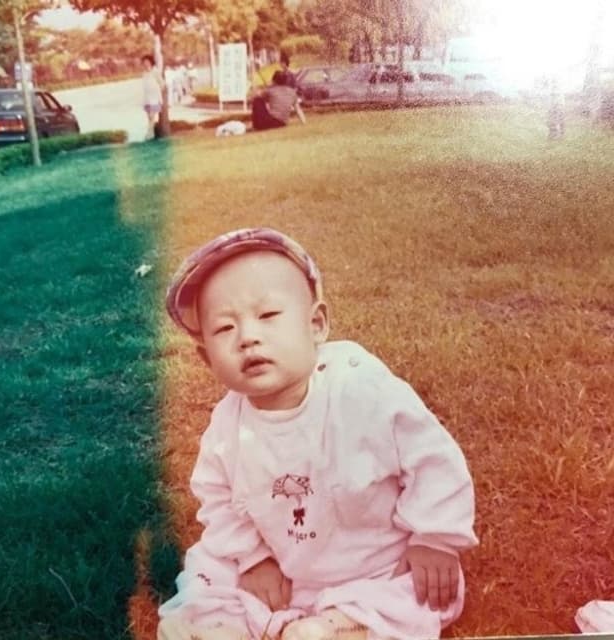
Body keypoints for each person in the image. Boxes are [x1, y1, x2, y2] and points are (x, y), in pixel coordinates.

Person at [158, 227, 479, 640]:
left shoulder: (362, 390)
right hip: (278, 564)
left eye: (268, 315)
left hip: (372, 562)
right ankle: (220, 626)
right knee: (208, 566)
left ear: (316, 325)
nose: (248, 337)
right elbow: (218, 500)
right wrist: (253, 558)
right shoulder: (226, 426)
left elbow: (432, 459)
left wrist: (434, 537)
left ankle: (341, 625)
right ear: (207, 358)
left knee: (415, 591)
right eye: (224, 328)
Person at [141, 54, 164, 140]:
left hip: (154, 97)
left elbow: (161, 83)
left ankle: (149, 134)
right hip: (147, 97)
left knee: (152, 116)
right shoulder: (144, 73)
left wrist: (159, 91)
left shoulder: (155, 71)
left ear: (151, 62)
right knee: (149, 117)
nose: (146, 63)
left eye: (147, 62)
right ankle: (152, 133)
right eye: (144, 62)